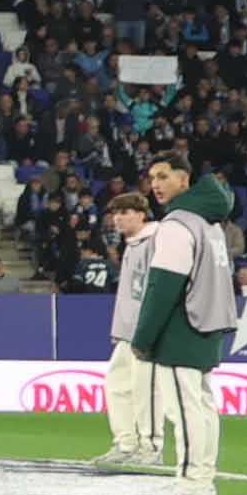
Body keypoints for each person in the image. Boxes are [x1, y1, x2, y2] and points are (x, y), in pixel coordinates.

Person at [132, 155, 241, 489]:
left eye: (163, 176)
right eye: (152, 177)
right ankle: (204, 473)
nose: (155, 184)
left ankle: (191, 479)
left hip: (182, 325)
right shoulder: (210, 222)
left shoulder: (178, 224)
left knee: (183, 407)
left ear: (184, 180)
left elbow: (163, 286)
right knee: (203, 404)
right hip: (209, 322)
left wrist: (143, 337)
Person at [98, 192, 163, 464]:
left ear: (140, 214)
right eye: (115, 213)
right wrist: (121, 329)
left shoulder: (155, 241)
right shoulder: (133, 244)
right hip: (129, 331)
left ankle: (151, 448)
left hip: (146, 330)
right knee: (117, 383)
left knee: (145, 388)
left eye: (124, 212)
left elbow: (158, 288)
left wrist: (150, 329)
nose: (117, 218)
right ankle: (126, 443)